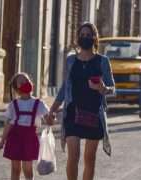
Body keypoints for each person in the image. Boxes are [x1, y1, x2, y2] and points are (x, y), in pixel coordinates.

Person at [48, 22, 115, 180]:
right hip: (73, 113)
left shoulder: (102, 61)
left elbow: (113, 88)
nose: (85, 37)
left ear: (94, 37)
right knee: (73, 157)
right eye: (82, 35)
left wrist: (102, 88)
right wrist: (52, 109)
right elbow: (65, 87)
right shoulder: (71, 60)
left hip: (94, 113)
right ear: (78, 38)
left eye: (88, 35)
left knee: (89, 159)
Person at [0, 73, 52, 180]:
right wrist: (2, 141)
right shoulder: (13, 104)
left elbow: (48, 118)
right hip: (15, 138)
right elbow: (8, 124)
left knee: (28, 169)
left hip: (30, 138)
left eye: (27, 81)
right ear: (17, 89)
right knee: (15, 169)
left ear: (31, 83)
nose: (25, 84)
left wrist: (52, 118)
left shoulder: (38, 103)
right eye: (21, 83)